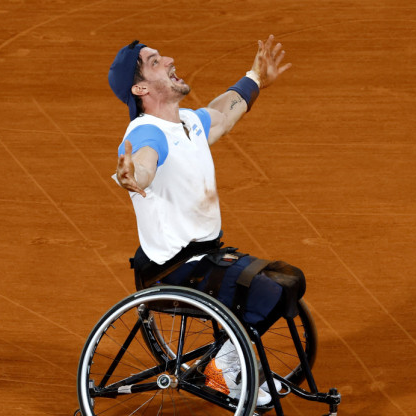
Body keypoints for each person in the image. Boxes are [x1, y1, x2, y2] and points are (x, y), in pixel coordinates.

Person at [108, 35, 303, 406]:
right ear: (141, 88)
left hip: (204, 257)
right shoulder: (147, 133)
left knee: (287, 280)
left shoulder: (186, 123)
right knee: (271, 291)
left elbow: (223, 113)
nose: (168, 59)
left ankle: (233, 363)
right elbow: (145, 163)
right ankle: (223, 369)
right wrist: (134, 177)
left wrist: (256, 78)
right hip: (176, 269)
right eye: (154, 62)